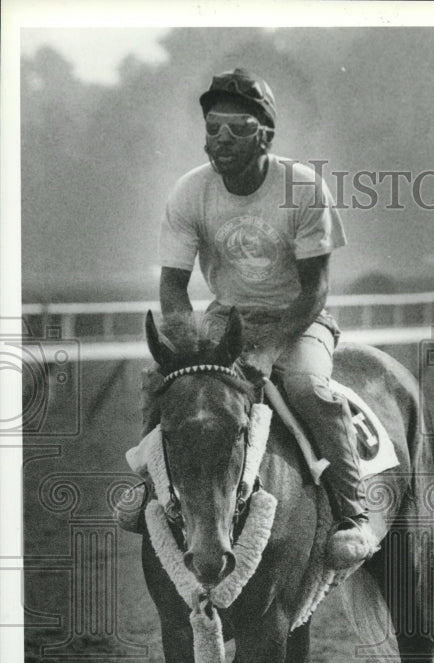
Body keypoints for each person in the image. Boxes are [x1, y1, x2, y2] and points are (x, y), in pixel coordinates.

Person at [125, 68, 374, 569]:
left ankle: (353, 512)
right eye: (213, 127)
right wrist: (188, 346)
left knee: (306, 388)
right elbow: (173, 286)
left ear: (266, 134)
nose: (222, 139)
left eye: (238, 128)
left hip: (299, 318)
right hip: (226, 318)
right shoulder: (189, 192)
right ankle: (147, 487)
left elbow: (316, 287)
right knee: (167, 384)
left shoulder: (302, 188)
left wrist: (272, 348)